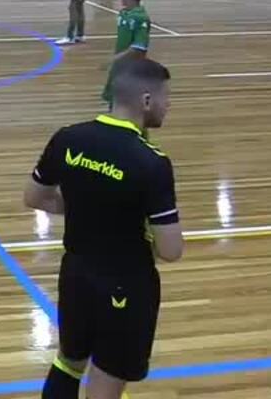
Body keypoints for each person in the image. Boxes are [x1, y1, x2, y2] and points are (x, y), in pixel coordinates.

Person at [24, 57, 183, 399]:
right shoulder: (151, 163)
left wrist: (86, 205)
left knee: (68, 362)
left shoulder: (68, 138)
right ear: (145, 100)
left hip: (76, 275)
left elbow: (35, 197)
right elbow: (171, 250)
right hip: (126, 286)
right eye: (166, 97)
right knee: (106, 384)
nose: (169, 105)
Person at [103, 0, 152, 109]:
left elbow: (139, 47)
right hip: (120, 66)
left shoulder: (140, 18)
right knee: (114, 103)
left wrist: (113, 59)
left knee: (128, 107)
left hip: (131, 69)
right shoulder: (124, 13)